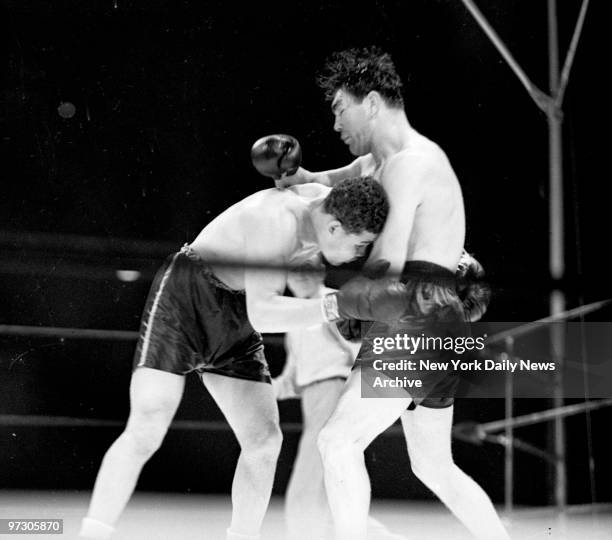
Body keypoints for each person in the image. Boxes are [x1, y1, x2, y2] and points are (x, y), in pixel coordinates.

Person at [278, 46, 509, 540]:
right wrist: (297, 179)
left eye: (341, 108)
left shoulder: (412, 163)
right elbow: (323, 184)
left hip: (417, 311)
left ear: (374, 103)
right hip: (426, 313)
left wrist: (337, 297)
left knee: (337, 441)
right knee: (432, 466)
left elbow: (388, 260)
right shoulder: (373, 165)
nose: (336, 123)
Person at [78, 175, 389, 540]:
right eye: (360, 245)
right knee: (147, 426)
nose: (359, 256)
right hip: (187, 297)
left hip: (236, 307)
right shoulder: (275, 222)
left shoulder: (326, 200)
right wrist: (337, 304)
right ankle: (93, 533)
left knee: (264, 441)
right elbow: (265, 314)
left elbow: (367, 167)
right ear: (335, 227)